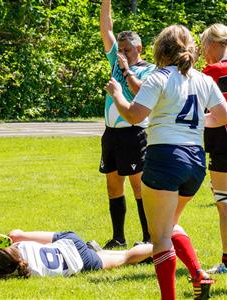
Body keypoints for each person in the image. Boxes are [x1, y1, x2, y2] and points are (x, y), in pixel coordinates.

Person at [105, 24, 227, 300]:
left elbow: (135, 116)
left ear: (161, 48)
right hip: (195, 161)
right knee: (169, 225)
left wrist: (117, 94)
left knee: (158, 236)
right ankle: (197, 274)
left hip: (165, 157)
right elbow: (222, 116)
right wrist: (196, 124)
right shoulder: (203, 79)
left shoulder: (159, 77)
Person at [99, 0, 156, 249]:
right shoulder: (115, 58)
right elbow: (106, 28)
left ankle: (149, 236)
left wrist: (125, 69)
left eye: (127, 50)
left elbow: (140, 93)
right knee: (113, 185)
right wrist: (106, 3)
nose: (122, 53)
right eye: (120, 50)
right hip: (111, 134)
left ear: (139, 48)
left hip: (134, 134)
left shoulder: (148, 70)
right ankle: (118, 237)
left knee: (139, 187)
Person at [0, 229, 152, 279]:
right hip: (69, 241)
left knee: (126, 259)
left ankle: (160, 246)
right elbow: (14, 234)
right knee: (123, 256)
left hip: (77, 260)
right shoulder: (20, 246)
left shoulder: (22, 273)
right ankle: (158, 245)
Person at [200, 23, 227, 275]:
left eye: (206, 43)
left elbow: (218, 115)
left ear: (219, 44)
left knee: (224, 205)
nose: (203, 50)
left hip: (223, 148)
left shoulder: (213, 71)